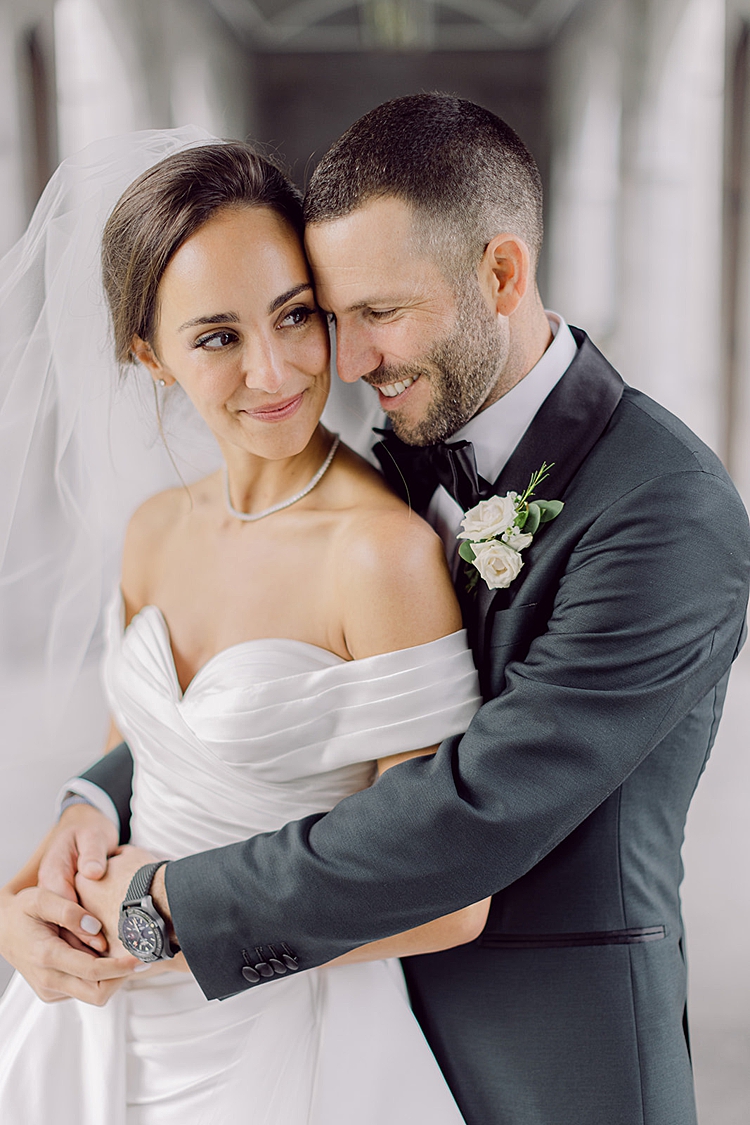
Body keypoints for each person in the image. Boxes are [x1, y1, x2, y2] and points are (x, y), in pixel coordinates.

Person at [5, 94, 750, 1125]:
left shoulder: (666, 512)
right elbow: (269, 699)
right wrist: (84, 813)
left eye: (380, 314)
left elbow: (474, 807)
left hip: (549, 1051)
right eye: (333, 313)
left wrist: (161, 904)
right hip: (340, 994)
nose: (344, 365)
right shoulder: (405, 449)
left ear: (500, 274)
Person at [0, 135, 486, 1122]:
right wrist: (53, 868)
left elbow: (446, 897)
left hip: (282, 1032)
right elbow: (141, 750)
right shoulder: (153, 531)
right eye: (218, 337)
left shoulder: (379, 557)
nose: (274, 371)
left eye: (295, 317)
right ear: (151, 355)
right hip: (98, 1019)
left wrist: (163, 924)